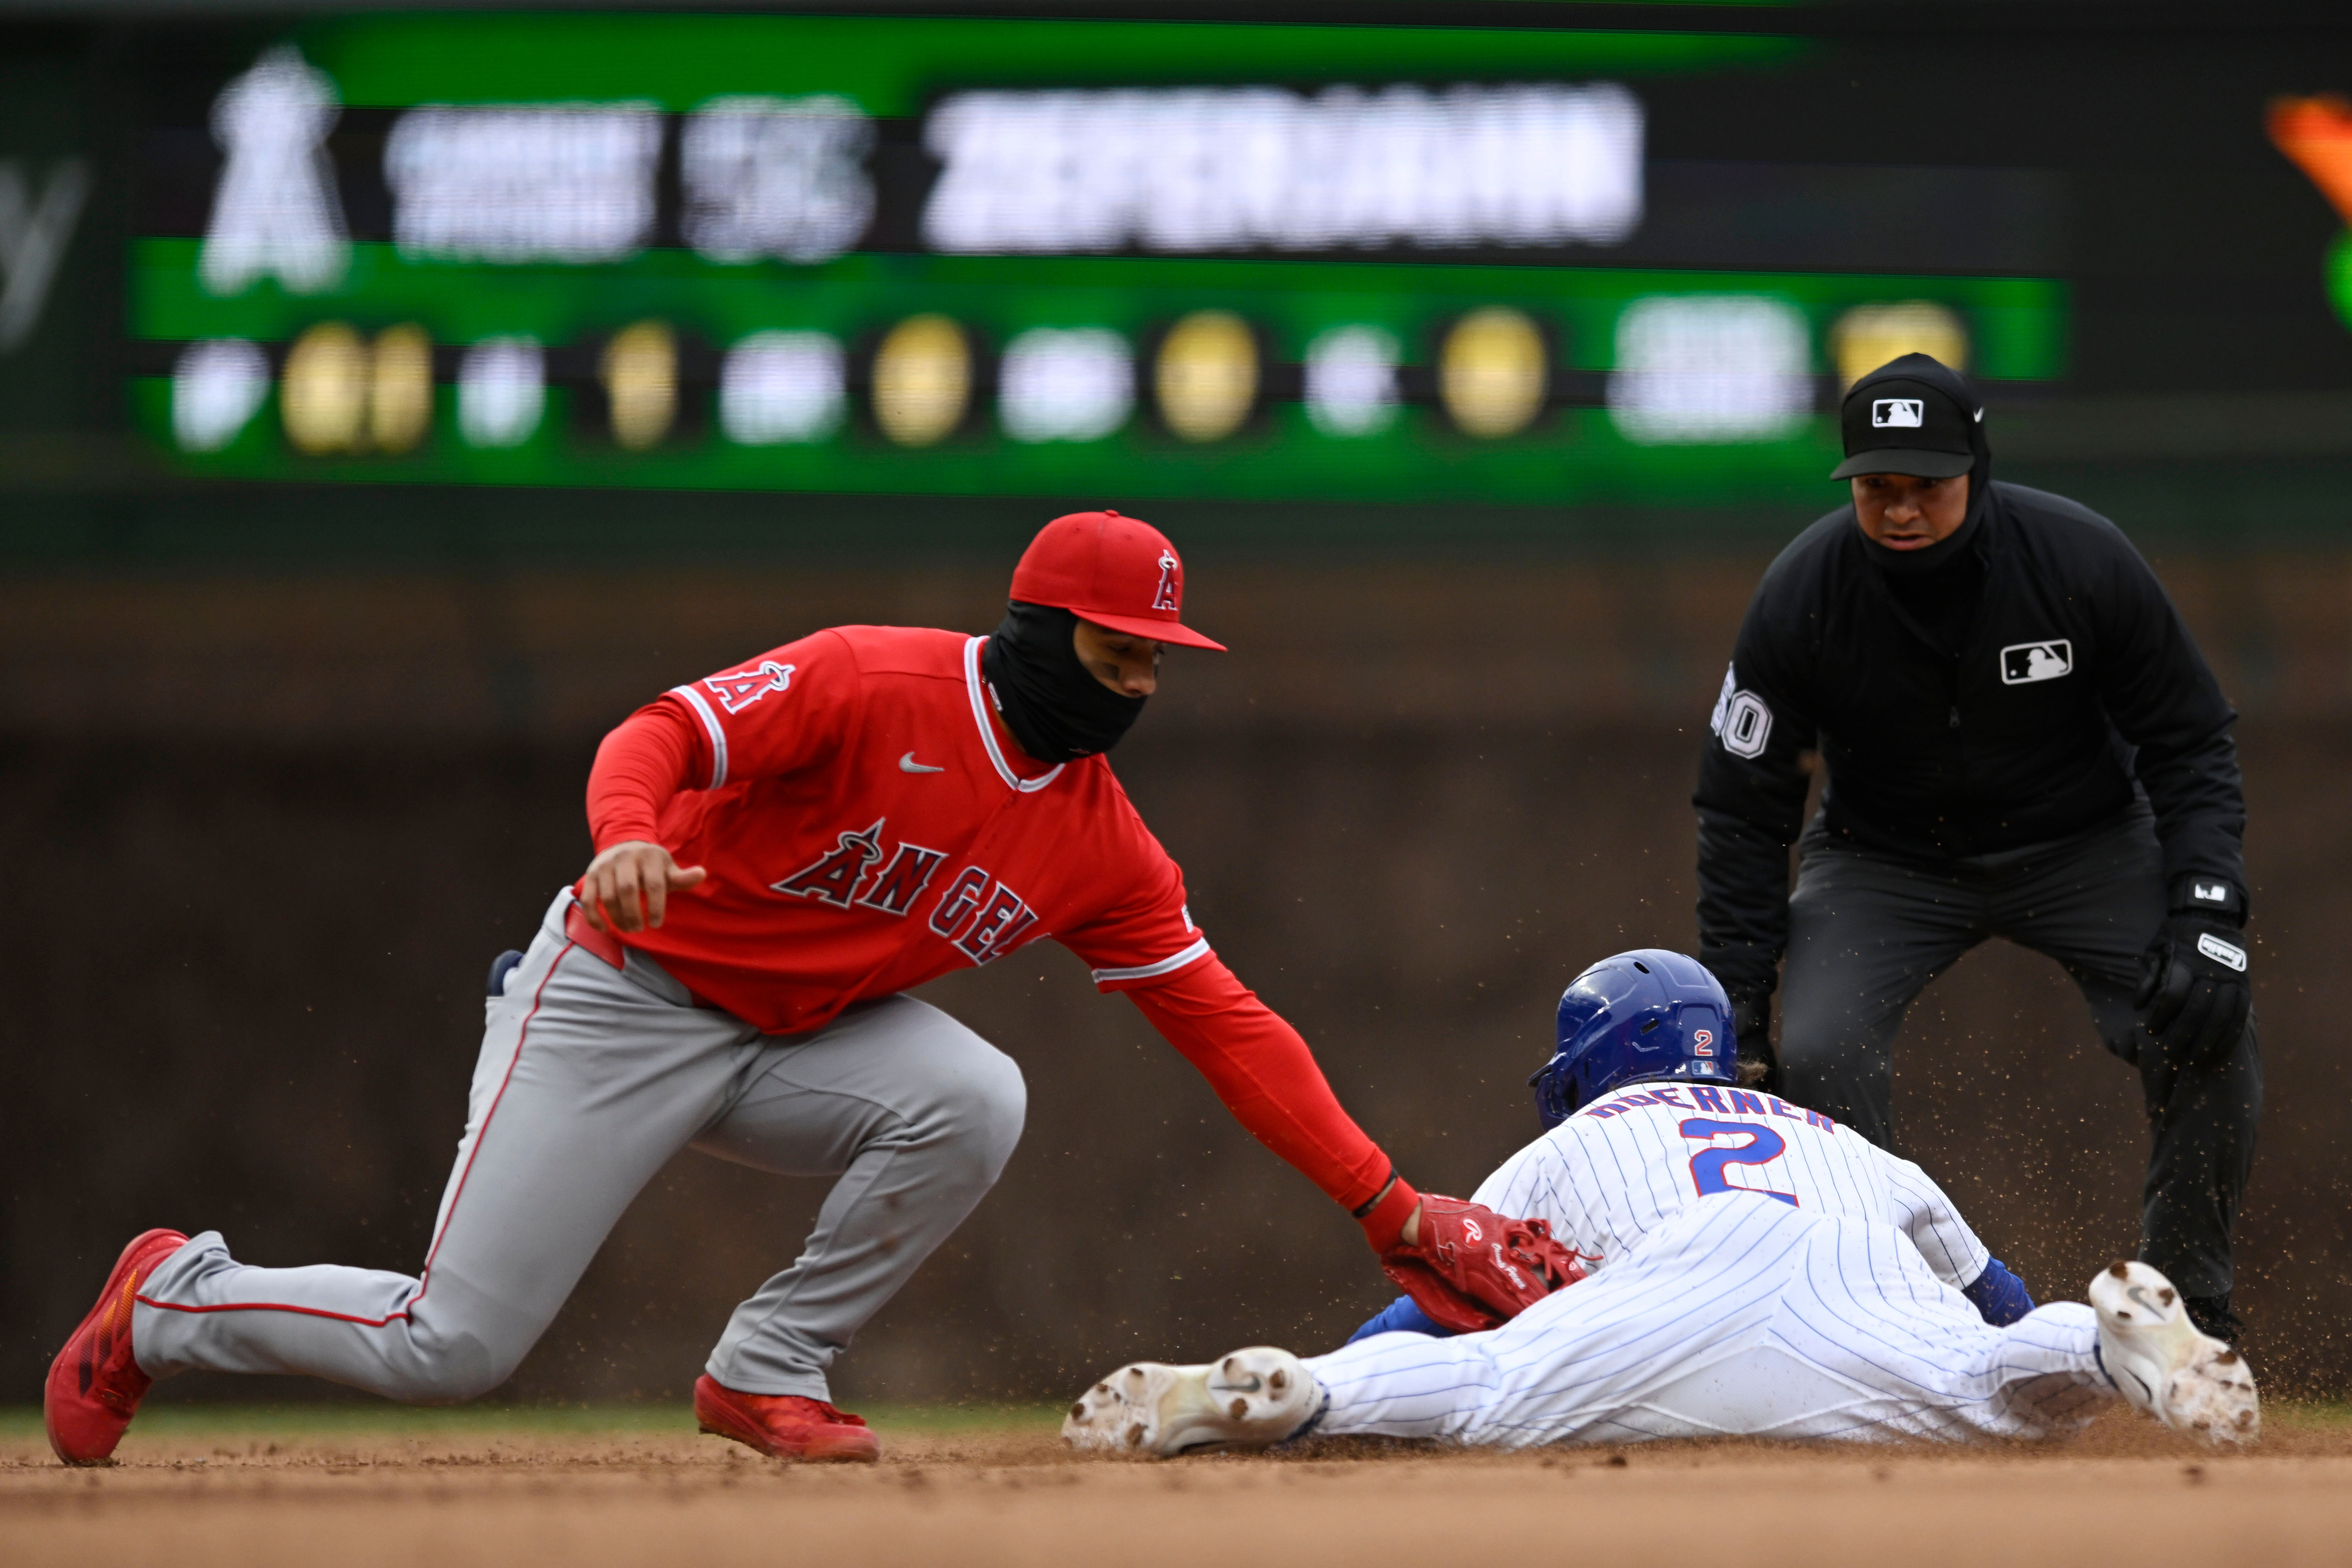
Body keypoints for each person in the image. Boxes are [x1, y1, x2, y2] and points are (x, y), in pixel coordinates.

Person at [45, 510, 1536, 1469]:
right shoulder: (868, 682)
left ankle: (766, 1369)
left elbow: (1231, 1028)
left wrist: (1386, 1204)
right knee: (455, 1349)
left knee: (973, 1096)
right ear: (1036, 630)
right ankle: (173, 1299)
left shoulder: (1100, 843)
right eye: (1115, 650)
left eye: (1156, 661)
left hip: (791, 1042)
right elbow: (656, 737)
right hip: (621, 993)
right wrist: (624, 840)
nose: (1139, 685)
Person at [1060, 950, 2260, 1457]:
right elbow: (1990, 1309)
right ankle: (2112, 1352)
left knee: (1492, 1387)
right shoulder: (1839, 1137)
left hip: (1677, 1277)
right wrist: (2023, 1346)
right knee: (1990, 1381)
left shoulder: (1579, 1138)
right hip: (1857, 1273)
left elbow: (1451, 1316)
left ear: (1592, 1063)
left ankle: (1303, 1391)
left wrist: (1356, 1366)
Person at [1692, 353, 2258, 1344]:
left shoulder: (2081, 561)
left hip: (2084, 841)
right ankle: (1888, 1325)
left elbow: (2189, 737)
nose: (1902, 510)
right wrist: (1739, 1001)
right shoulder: (1803, 596)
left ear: (1978, 469)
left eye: (1927, 487)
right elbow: (1744, 808)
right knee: (1818, 1054)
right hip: (1884, 862)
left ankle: (2185, 1314)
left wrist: (2209, 907)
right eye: (1878, 488)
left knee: (2209, 1028)